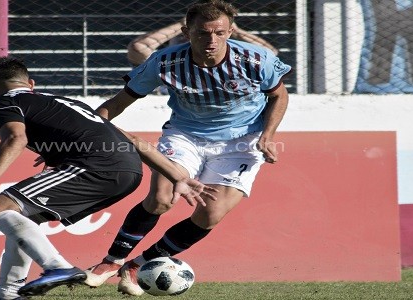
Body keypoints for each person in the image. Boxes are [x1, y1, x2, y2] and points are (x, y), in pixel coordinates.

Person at [0, 56, 216, 300]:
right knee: (24, 217)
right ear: (31, 84)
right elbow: (134, 140)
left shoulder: (0, 103)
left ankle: (58, 267)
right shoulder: (64, 102)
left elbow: (16, 137)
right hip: (128, 171)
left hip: (96, 165)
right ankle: (8, 293)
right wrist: (177, 176)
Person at [83, 0, 291, 296]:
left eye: (219, 33)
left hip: (242, 141)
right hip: (186, 135)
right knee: (161, 198)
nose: (211, 41)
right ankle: (111, 261)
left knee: (210, 214)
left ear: (231, 31)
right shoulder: (164, 61)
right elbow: (116, 103)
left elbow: (279, 96)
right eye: (203, 34)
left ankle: (137, 265)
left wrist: (268, 135)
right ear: (186, 31)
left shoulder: (257, 59)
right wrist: (84, 133)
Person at [126, 17, 279, 67]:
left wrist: (237, 32)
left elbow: (270, 54)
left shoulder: (232, 60)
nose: (204, 40)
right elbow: (139, 48)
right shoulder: (167, 61)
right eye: (199, 34)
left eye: (217, 33)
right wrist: (183, 24)